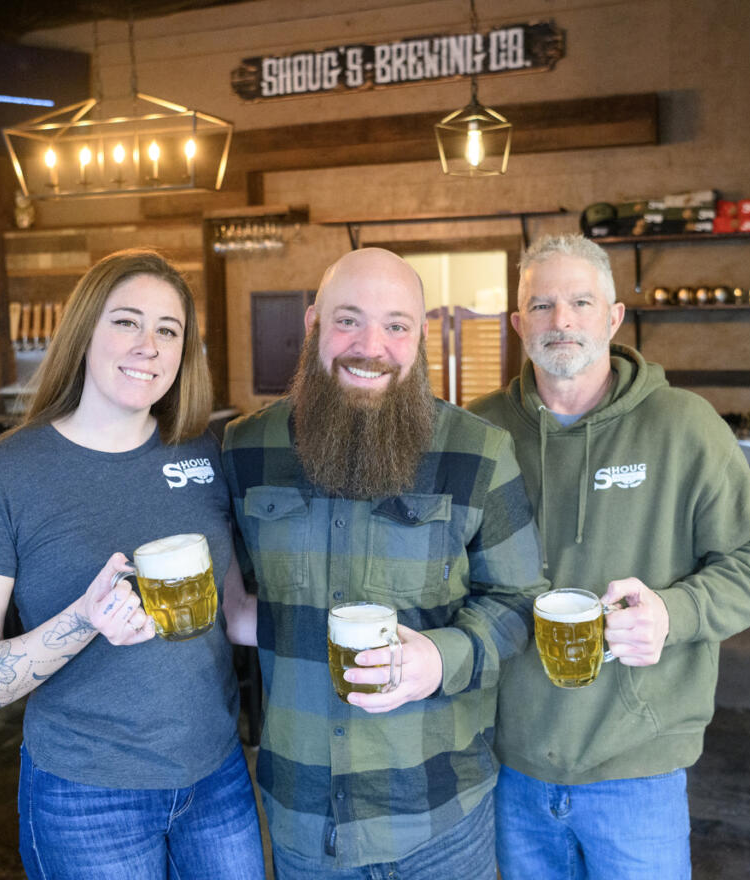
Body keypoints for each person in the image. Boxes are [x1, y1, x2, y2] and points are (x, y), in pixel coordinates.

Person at [467, 233, 750, 880]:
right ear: (516, 323)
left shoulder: (684, 426)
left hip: (637, 769)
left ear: (614, 317)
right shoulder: (479, 434)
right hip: (508, 765)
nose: (561, 321)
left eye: (582, 302)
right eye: (541, 305)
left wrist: (674, 613)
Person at [0, 248, 265, 880]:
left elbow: (234, 615)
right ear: (85, 330)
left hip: (217, 778)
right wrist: (85, 619)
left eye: (168, 330)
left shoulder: (200, 452)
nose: (149, 345)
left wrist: (360, 623)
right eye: (126, 321)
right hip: (86, 797)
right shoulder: (4, 476)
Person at [221, 247, 546, 878]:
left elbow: (519, 602)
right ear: (313, 323)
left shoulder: (479, 451)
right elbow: (235, 606)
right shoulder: (244, 447)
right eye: (349, 320)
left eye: (396, 325)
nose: (372, 345)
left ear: (419, 336)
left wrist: (439, 658)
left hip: (440, 817)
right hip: (300, 818)